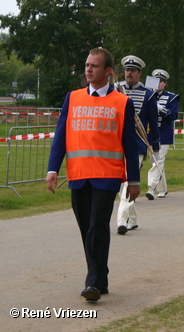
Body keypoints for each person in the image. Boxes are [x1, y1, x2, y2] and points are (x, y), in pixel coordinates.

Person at [46, 47, 140, 302]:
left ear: (108, 72)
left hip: (107, 178)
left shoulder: (122, 102)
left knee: (97, 227)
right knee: (86, 227)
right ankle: (101, 275)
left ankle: (93, 282)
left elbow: (130, 144)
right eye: (87, 65)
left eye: (94, 66)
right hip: (78, 175)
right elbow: (61, 136)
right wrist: (52, 169)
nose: (88, 69)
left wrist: (134, 180)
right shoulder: (73, 98)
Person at [116, 55, 160, 234]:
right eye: (127, 70)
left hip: (137, 144)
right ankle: (132, 219)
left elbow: (153, 122)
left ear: (139, 73)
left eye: (133, 71)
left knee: (128, 181)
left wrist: (155, 147)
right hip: (117, 144)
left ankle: (121, 220)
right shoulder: (115, 90)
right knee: (121, 184)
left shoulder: (148, 95)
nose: (129, 73)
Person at [146, 69, 179, 199]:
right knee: (157, 162)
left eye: (161, 81)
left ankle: (151, 187)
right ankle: (163, 189)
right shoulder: (147, 95)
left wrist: (160, 108)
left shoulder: (172, 97)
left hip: (163, 134)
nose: (158, 84)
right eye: (156, 81)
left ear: (165, 83)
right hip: (149, 134)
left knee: (157, 161)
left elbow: (173, 115)